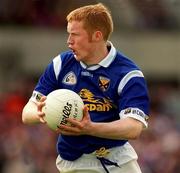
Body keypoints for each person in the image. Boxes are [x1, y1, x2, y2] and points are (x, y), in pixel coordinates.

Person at [22, 3, 150, 173]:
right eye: (68, 34)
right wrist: (41, 112)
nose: (69, 41)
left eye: (75, 35)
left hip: (117, 162)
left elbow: (133, 128)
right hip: (73, 163)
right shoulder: (61, 64)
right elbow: (27, 113)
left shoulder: (128, 74)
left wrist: (90, 128)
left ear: (97, 35)